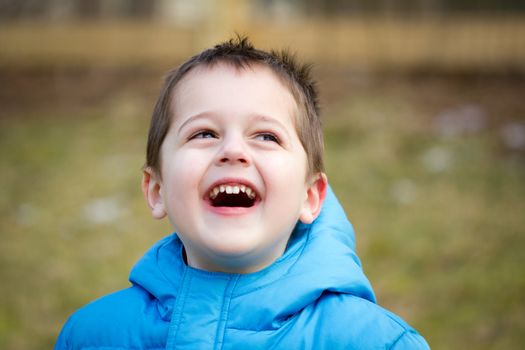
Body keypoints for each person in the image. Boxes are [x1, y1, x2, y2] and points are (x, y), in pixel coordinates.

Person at [55, 37, 430, 349]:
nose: (233, 151)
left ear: (311, 197)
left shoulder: (376, 342)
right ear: (156, 190)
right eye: (204, 134)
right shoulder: (91, 336)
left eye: (266, 136)